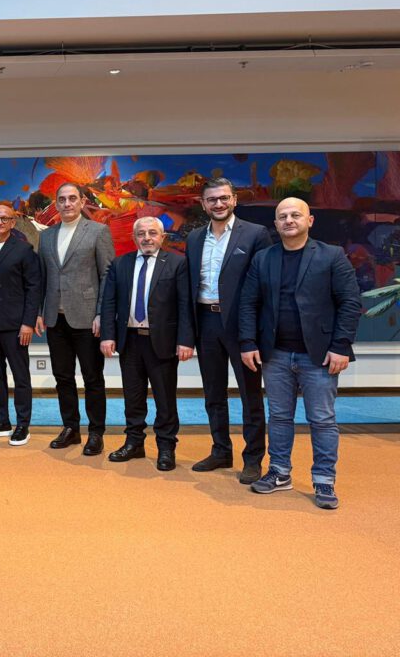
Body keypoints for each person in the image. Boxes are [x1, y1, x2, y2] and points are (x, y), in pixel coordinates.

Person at [239, 197, 361, 510]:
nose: (289, 220)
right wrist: (248, 342)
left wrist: (340, 346)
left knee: (322, 419)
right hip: (276, 354)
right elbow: (249, 303)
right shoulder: (263, 259)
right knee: (279, 417)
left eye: (296, 215)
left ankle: (324, 479)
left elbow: (350, 302)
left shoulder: (332, 255)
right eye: (283, 216)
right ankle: (280, 473)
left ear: (310, 220)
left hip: (319, 356)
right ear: (275, 224)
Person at [185, 178, 272, 484]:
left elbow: (264, 285)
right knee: (213, 393)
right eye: (212, 199)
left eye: (224, 198)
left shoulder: (256, 234)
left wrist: (255, 333)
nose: (218, 204)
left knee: (250, 395)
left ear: (234, 199)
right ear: (203, 204)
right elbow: (189, 286)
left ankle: (253, 458)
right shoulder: (194, 238)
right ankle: (221, 450)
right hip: (206, 322)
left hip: (241, 326)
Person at [100, 217, 194, 471]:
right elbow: (108, 302)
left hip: (162, 342)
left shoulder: (177, 263)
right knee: (133, 397)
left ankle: (166, 447)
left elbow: (185, 304)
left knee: (165, 399)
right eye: (141, 234)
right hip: (130, 340)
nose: (147, 238)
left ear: (162, 237)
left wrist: (185, 340)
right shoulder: (120, 264)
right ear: (134, 238)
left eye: (153, 233)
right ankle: (134, 443)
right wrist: (108, 335)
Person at [35, 182, 115, 456]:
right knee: (63, 377)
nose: (67, 204)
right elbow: (43, 277)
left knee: (93, 378)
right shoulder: (47, 236)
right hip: (55, 319)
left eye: (72, 198)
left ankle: (96, 433)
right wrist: (39, 311)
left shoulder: (98, 231)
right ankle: (71, 428)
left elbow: (107, 276)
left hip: (87, 318)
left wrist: (102, 313)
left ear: (82, 201)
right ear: (56, 204)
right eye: (62, 199)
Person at [0, 204, 42, 446]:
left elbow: (34, 288)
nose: (0, 222)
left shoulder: (24, 249)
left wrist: (28, 323)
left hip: (16, 326)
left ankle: (23, 424)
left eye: (5, 218)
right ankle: (1, 420)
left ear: (13, 222)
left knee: (20, 376)